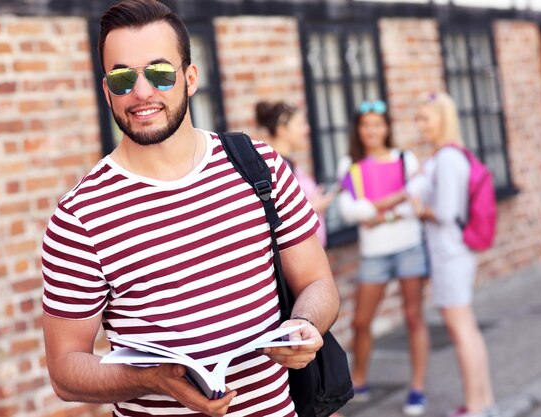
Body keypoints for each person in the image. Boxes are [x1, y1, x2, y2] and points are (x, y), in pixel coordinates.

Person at [41, 1, 340, 416]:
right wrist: (148, 378)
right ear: (107, 89)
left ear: (190, 77)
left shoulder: (259, 165)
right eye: (123, 78)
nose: (142, 92)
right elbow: (64, 370)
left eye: (161, 74)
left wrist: (305, 325)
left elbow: (318, 283)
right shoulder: (79, 217)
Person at [406, 92, 499, 417]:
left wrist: (419, 209)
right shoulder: (449, 155)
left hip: (449, 253)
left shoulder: (446, 159)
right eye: (417, 118)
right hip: (456, 250)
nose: (419, 125)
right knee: (468, 327)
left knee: (459, 329)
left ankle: (473, 407)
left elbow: (445, 211)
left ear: (442, 120)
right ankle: (484, 401)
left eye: (425, 118)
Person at [337, 99, 430, 416]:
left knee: (414, 317)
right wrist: (397, 198)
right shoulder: (350, 165)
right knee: (361, 321)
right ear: (358, 130)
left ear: (387, 127)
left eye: (377, 124)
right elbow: (351, 212)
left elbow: (418, 197)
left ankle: (417, 389)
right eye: (366, 125)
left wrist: (374, 209)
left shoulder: (406, 159)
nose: (372, 131)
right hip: (374, 253)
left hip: (409, 247)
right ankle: (358, 380)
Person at [255, 100, 336, 246]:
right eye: (300, 124)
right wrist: (314, 208)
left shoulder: (289, 165)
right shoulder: (273, 169)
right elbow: (272, 219)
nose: (307, 129)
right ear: (282, 130)